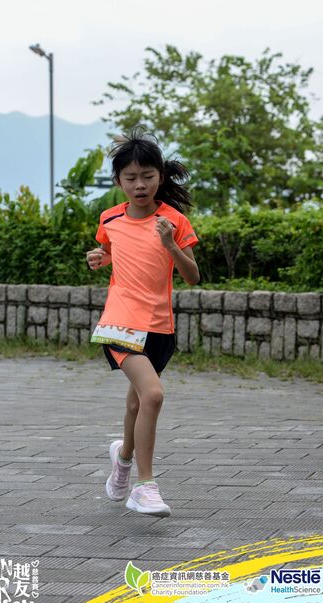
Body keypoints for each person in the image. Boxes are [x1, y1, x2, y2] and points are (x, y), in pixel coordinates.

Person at [86, 125, 199, 517]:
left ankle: (122, 458)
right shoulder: (110, 218)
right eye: (131, 177)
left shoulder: (174, 221)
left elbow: (192, 276)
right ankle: (145, 486)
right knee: (152, 395)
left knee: (136, 402)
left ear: (160, 177)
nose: (139, 185)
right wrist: (100, 258)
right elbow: (111, 251)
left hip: (159, 327)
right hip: (119, 322)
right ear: (118, 181)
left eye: (147, 176)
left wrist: (170, 244)